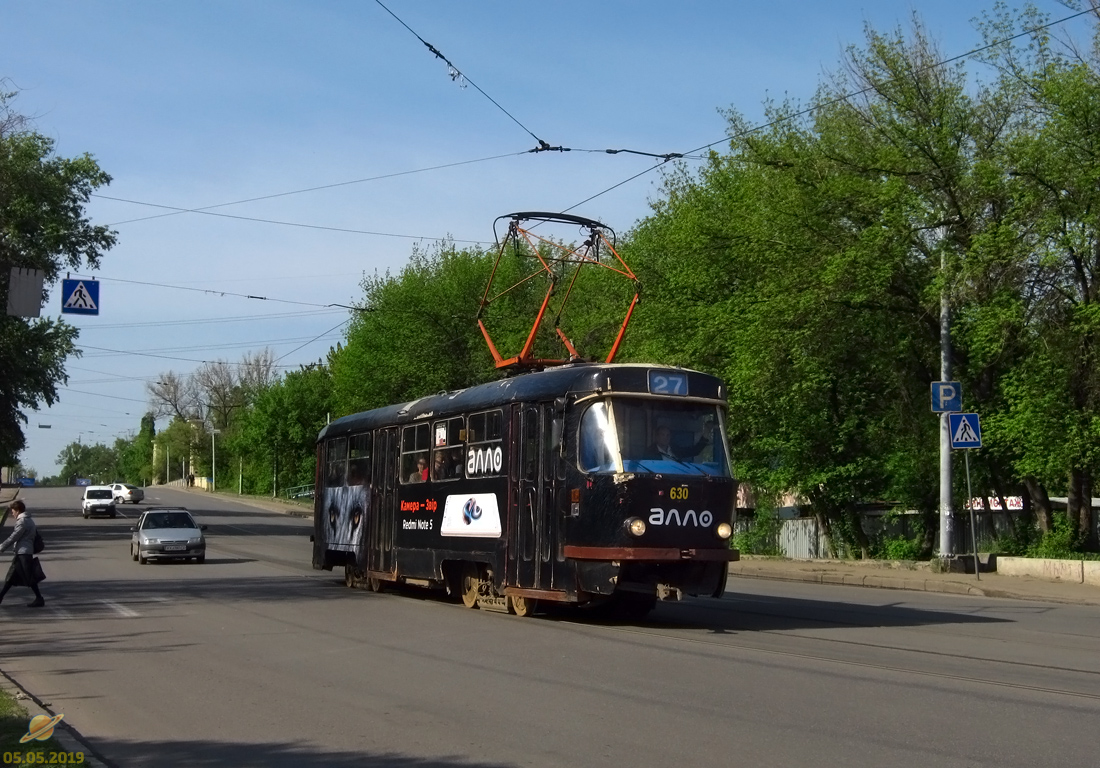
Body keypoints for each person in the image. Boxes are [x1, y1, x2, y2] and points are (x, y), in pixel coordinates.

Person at [0, 500, 45, 608]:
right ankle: (0, 597)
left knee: (29, 577)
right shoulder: (30, 520)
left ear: (17, 510)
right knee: (11, 577)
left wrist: (1, 547)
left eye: (13, 511)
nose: (12, 514)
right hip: (24, 552)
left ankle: (39, 599)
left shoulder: (22, 522)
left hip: (23, 553)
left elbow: (14, 537)